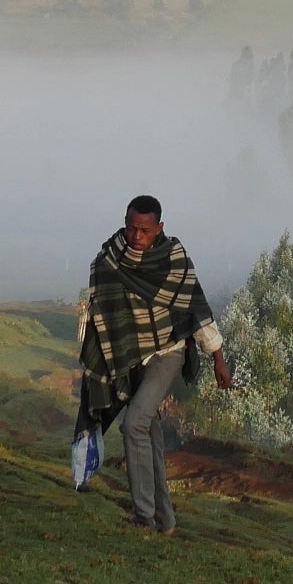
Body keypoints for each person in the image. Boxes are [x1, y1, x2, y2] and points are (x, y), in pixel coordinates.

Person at [74, 195, 230, 533]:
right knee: (149, 434)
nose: (136, 236)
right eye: (131, 228)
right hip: (130, 357)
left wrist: (217, 356)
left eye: (145, 230)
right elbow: (103, 304)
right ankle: (166, 520)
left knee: (134, 424)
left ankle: (143, 516)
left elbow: (197, 307)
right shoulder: (110, 258)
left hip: (168, 353)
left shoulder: (174, 261)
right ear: (125, 222)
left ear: (159, 228)